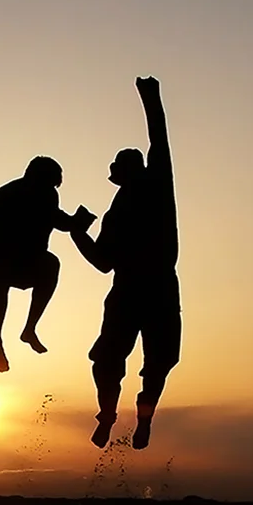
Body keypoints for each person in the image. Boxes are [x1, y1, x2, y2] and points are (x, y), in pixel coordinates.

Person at [70, 76, 181, 450]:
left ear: (127, 169)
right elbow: (103, 262)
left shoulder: (156, 185)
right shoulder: (113, 214)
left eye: (116, 165)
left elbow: (159, 140)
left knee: (157, 362)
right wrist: (77, 233)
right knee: (109, 360)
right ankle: (108, 415)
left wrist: (151, 99)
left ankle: (142, 419)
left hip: (156, 288)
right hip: (132, 290)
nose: (111, 170)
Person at [0, 156, 90, 373]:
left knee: (51, 264)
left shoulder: (48, 194)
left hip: (27, 259)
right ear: (35, 177)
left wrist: (76, 222)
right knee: (0, 279)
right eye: (49, 182)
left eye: (53, 184)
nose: (51, 187)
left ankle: (29, 328)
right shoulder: (9, 194)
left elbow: (56, 219)